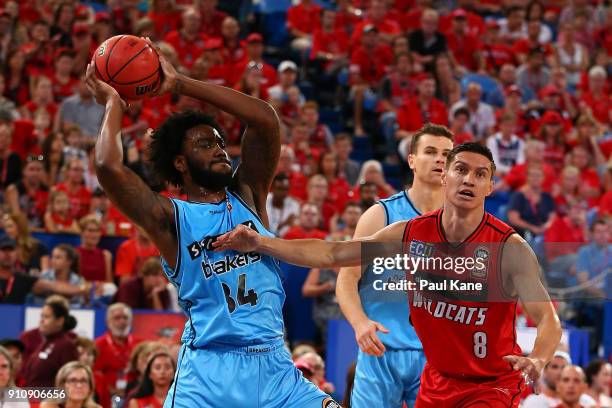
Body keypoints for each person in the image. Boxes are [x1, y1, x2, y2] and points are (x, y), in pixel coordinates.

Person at [84, 39, 339, 407]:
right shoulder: (170, 218)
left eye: (220, 142)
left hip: (274, 367)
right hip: (207, 374)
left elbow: (264, 118)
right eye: (205, 144)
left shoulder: (248, 194)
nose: (219, 149)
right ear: (180, 163)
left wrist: (181, 84)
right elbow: (108, 167)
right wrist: (114, 104)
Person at [214, 142, 562, 407]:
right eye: (461, 169)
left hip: (493, 384)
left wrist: (539, 358)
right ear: (446, 176)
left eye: (480, 174)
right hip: (438, 380)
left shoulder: (508, 248)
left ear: (490, 187)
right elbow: (333, 253)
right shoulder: (409, 234)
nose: (469, 179)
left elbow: (547, 319)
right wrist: (260, 242)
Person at [336, 124, 453, 408]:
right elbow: (347, 278)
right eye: (431, 152)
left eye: (447, 155)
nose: (440, 159)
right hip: (381, 350)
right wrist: (359, 323)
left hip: (436, 356)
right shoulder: (381, 214)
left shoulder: (462, 223)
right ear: (411, 159)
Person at [21, 295, 79, 387]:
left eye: (47, 317)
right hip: (32, 398)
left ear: (60, 321)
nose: (41, 320)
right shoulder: (46, 342)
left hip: (50, 400)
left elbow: (71, 382)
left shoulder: (66, 345)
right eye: (42, 316)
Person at [94, 303, 138, 408]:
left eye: (125, 318)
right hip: (106, 398)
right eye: (117, 318)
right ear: (108, 322)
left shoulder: (140, 344)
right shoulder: (98, 345)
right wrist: (110, 389)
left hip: (134, 396)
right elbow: (95, 373)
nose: (122, 321)